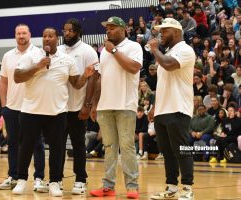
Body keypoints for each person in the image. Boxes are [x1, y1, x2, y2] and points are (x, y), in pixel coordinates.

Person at [11, 27, 94, 196]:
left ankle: (55, 182)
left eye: (50, 36)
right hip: (31, 111)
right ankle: (21, 180)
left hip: (57, 113)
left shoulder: (67, 59)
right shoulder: (31, 56)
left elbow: (76, 84)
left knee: (57, 149)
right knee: (25, 147)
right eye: (44, 36)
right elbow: (17, 77)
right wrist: (38, 66)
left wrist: (85, 75)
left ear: (57, 38)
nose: (47, 39)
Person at [89, 16, 142, 199]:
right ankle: (108, 187)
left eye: (112, 28)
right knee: (109, 147)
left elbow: (134, 68)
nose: (108, 31)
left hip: (125, 104)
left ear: (123, 29)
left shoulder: (133, 46)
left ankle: (132, 187)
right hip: (105, 105)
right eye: (107, 28)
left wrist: (114, 51)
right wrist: (95, 104)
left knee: (127, 147)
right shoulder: (104, 51)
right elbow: (100, 79)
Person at [146, 18, 196, 200]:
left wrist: (154, 49)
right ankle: (172, 187)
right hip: (162, 110)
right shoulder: (167, 52)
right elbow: (163, 84)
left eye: (164, 31)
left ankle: (188, 188)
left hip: (178, 108)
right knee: (167, 152)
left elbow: (168, 64)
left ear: (176, 32)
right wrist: (154, 107)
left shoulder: (185, 50)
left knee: (182, 150)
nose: (161, 35)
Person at [0, 24, 47, 192]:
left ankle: (39, 178)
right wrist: (4, 105)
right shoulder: (7, 56)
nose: (21, 36)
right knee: (12, 143)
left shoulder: (39, 54)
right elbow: (3, 81)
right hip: (11, 107)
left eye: (24, 33)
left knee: (37, 144)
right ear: (15, 36)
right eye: (18, 33)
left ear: (30, 35)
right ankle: (13, 176)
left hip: (33, 107)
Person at [58, 18, 99, 195]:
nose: (66, 33)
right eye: (65, 30)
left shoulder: (88, 51)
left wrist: (87, 105)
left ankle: (81, 179)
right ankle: (56, 179)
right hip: (58, 108)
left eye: (70, 31)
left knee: (78, 146)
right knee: (57, 145)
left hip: (77, 107)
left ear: (78, 32)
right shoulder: (58, 50)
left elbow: (93, 79)